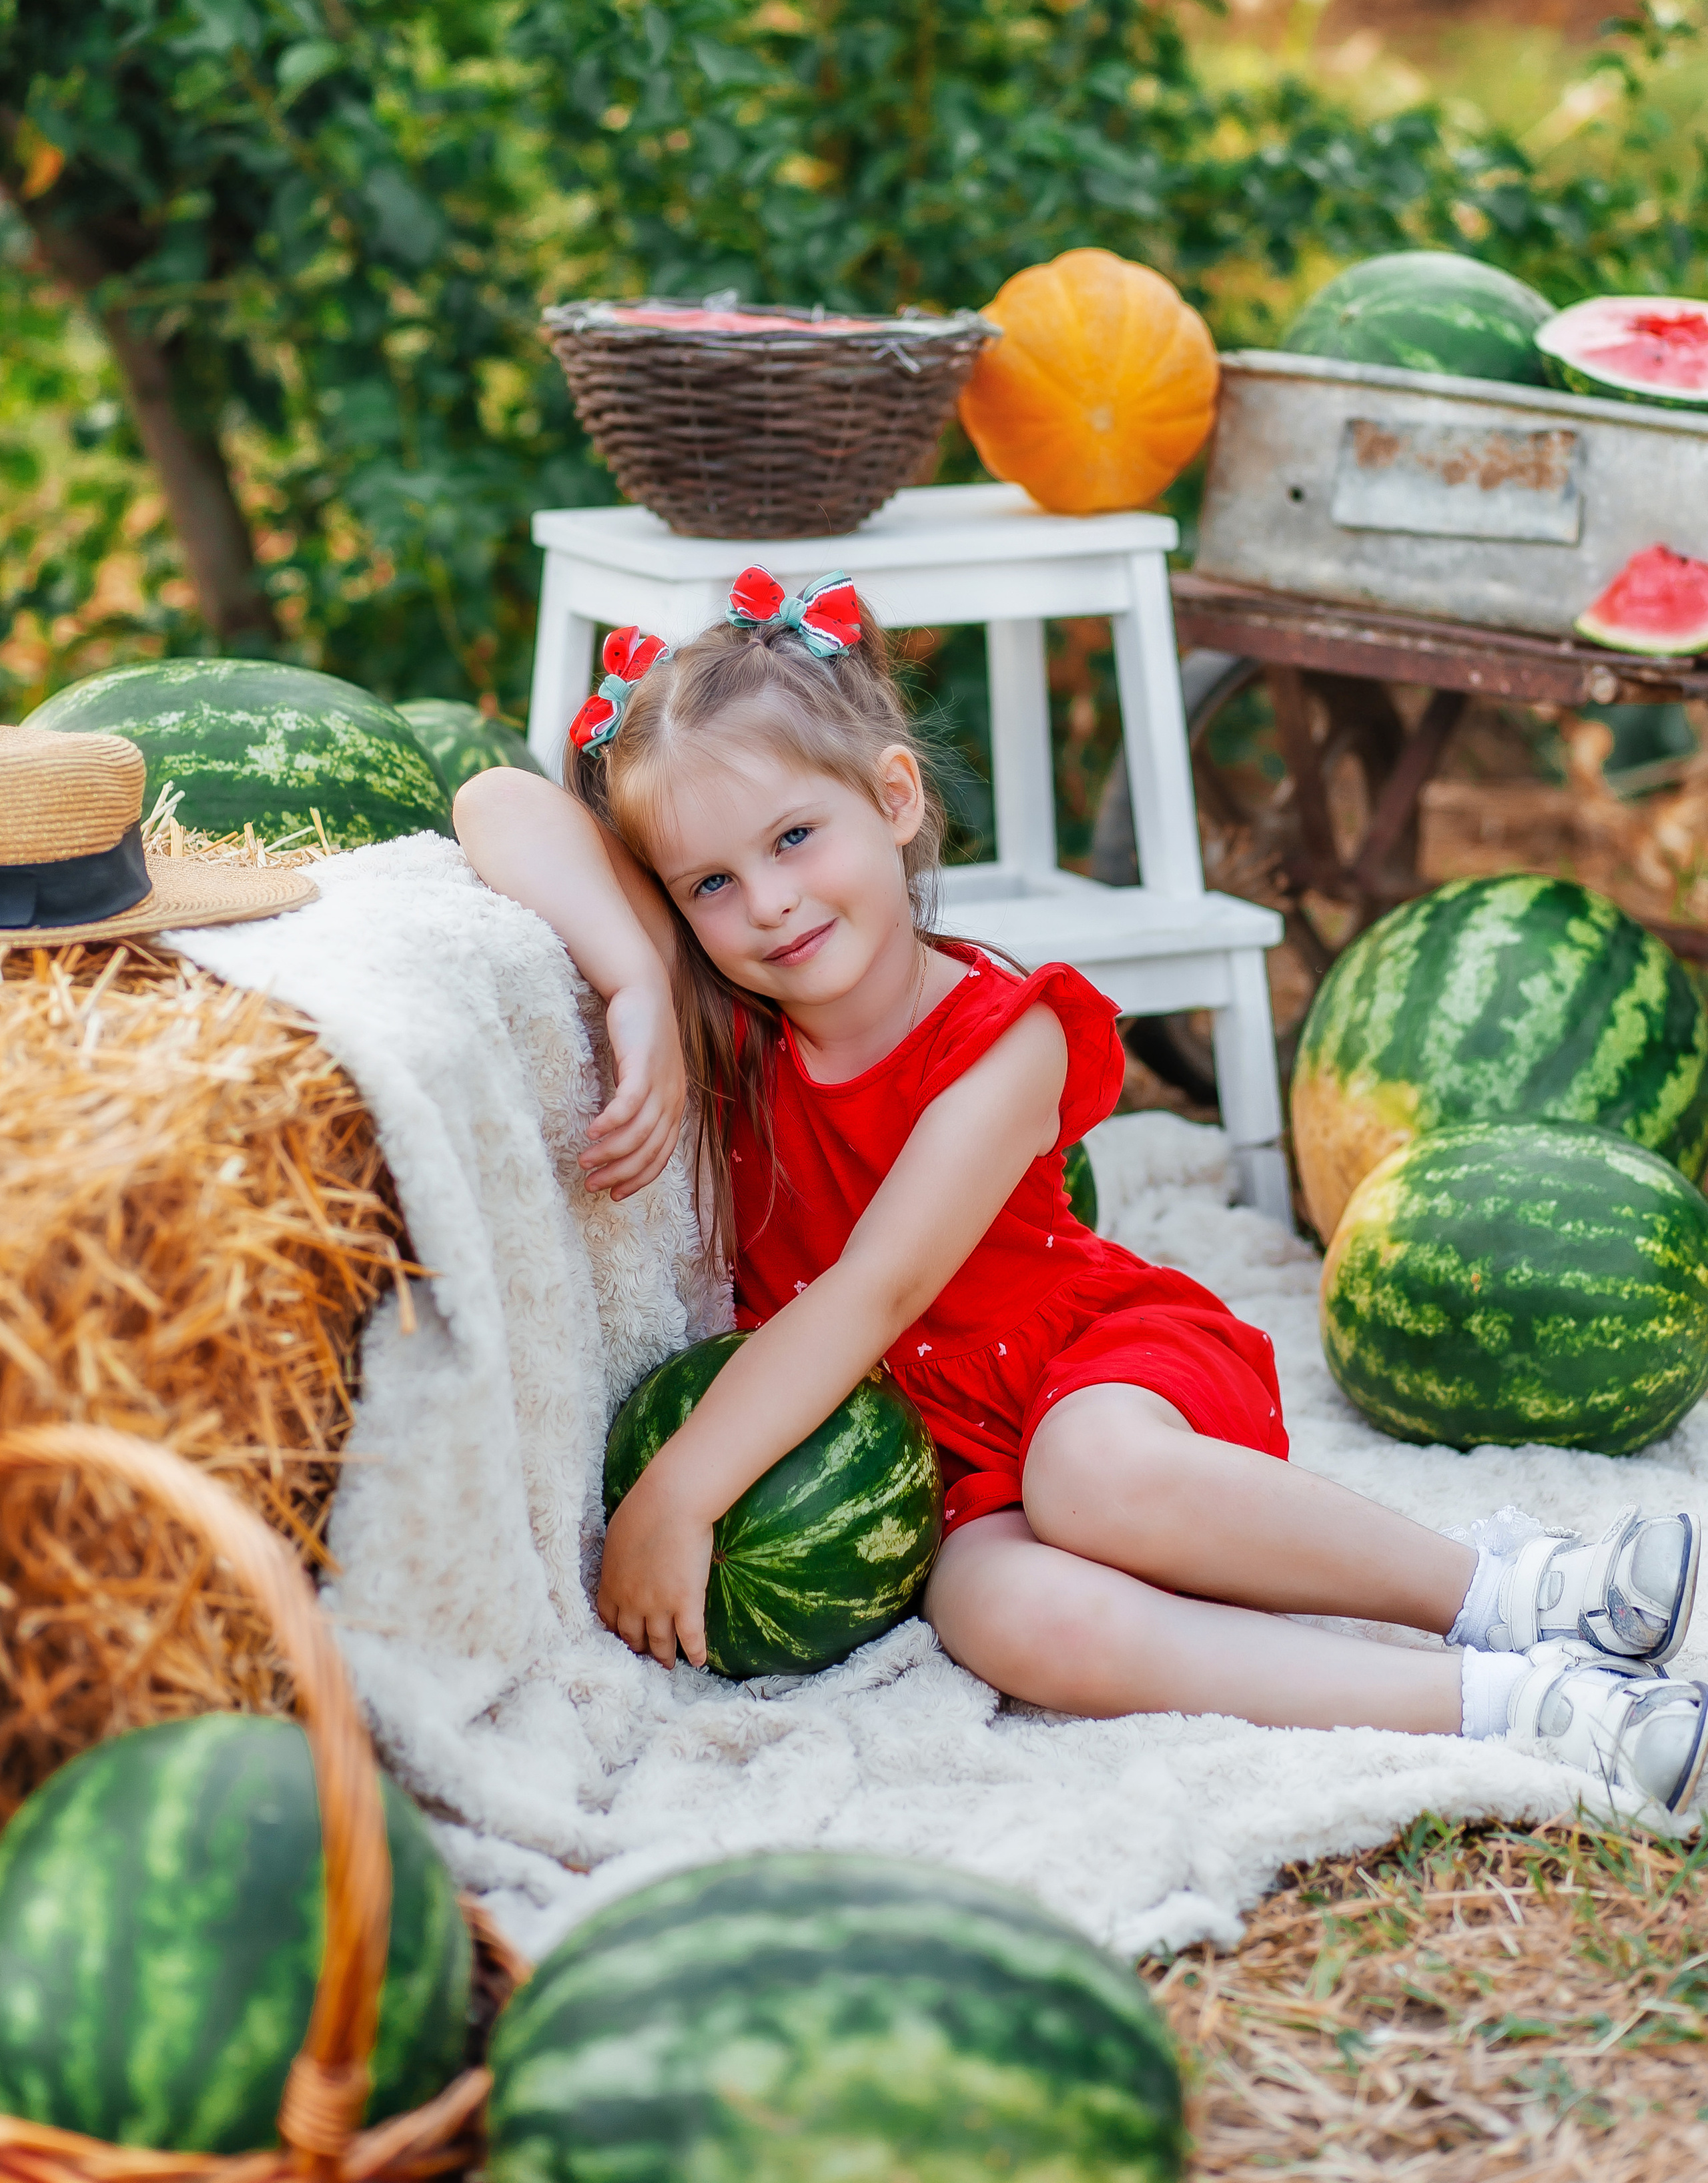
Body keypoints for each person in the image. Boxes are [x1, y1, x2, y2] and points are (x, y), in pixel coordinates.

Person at [456, 567, 1708, 1810]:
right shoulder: (724, 1020)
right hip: (939, 1458)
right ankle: (1514, 1708)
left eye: (794, 839)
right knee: (1013, 1622)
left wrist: (679, 1489)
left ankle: (1504, 1590)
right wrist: (633, 974)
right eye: (709, 884)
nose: (769, 902)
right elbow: (493, 797)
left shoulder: (1009, 1036)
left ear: (895, 798)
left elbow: (877, 1289)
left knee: (1088, 1478)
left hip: (1086, 1364)